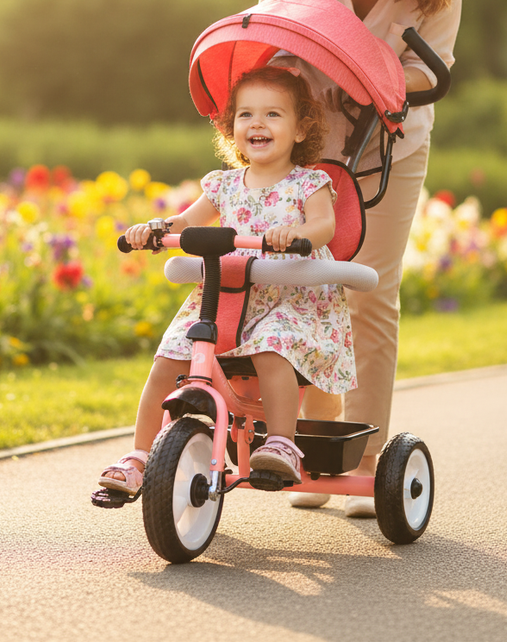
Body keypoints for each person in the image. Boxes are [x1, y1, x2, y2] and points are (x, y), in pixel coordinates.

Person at [259, 0, 464, 516]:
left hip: (389, 148)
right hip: (308, 147)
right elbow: (273, 43)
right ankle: (310, 447)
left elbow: (429, 63)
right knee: (303, 288)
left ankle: (365, 461)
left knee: (370, 291)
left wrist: (373, 81)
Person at [95, 65, 355, 494]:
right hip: (226, 295)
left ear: (299, 128)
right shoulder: (223, 185)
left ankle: (282, 443)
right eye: (246, 115)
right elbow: (184, 222)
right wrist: (156, 229)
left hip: (289, 298)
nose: (257, 123)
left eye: (273, 114)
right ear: (231, 128)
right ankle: (140, 455)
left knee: (273, 348)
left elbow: (324, 227)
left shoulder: (310, 183)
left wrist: (296, 235)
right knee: (168, 360)